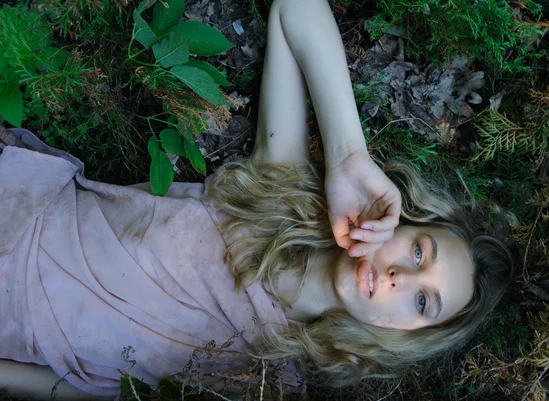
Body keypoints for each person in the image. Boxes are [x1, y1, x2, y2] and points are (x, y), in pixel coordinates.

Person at [0, 0, 515, 399]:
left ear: (403, 333)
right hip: (19, 209)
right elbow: (296, 8)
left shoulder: (267, 375)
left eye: (422, 302)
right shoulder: (283, 190)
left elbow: (101, 388)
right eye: (420, 251)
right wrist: (347, 157)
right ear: (403, 222)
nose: (403, 275)